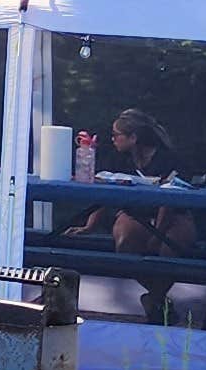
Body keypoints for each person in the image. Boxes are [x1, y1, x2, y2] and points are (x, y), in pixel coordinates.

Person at [61, 107, 195, 259]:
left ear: (133, 138)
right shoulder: (119, 158)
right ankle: (130, 274)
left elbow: (169, 200)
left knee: (169, 250)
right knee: (127, 238)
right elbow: (105, 193)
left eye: (116, 135)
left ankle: (158, 280)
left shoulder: (168, 159)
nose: (113, 139)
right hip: (135, 214)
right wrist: (89, 226)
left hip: (174, 216)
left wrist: (158, 235)